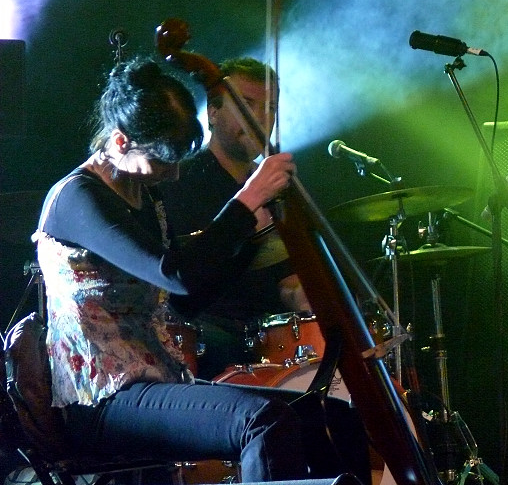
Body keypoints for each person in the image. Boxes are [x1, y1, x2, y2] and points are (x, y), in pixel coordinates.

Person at [32, 58, 308, 482]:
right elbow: (172, 272)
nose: (174, 172)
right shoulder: (79, 198)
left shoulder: (146, 194)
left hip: (152, 383)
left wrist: (249, 238)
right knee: (262, 421)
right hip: (101, 399)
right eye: (164, 159)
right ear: (121, 141)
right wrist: (245, 200)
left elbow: (185, 297)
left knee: (316, 412)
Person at [160, 57, 311, 380]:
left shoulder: (278, 189)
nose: (261, 117)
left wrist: (317, 302)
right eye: (248, 105)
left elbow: (288, 281)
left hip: (272, 343)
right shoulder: (179, 181)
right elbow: (180, 286)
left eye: (271, 107)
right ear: (213, 113)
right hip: (210, 340)